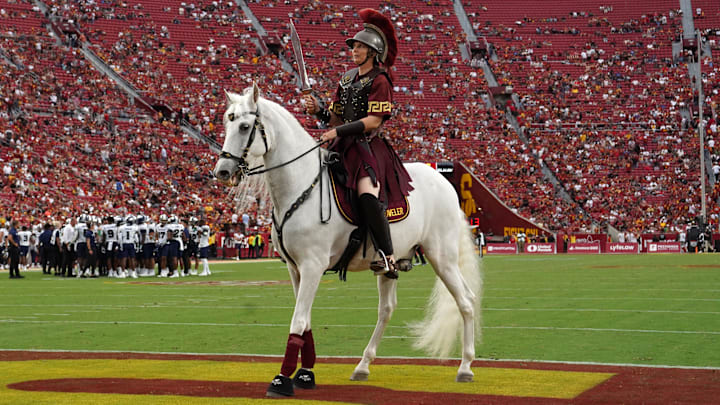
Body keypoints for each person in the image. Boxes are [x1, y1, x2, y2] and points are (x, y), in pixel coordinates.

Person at [302, 8, 413, 279]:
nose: (354, 50)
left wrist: (337, 130)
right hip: (341, 145)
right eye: (353, 46)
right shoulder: (346, 79)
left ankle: (387, 256)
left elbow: (374, 121)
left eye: (360, 47)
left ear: (372, 52)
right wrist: (318, 109)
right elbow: (334, 118)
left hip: (367, 147)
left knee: (366, 193)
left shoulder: (380, 80)